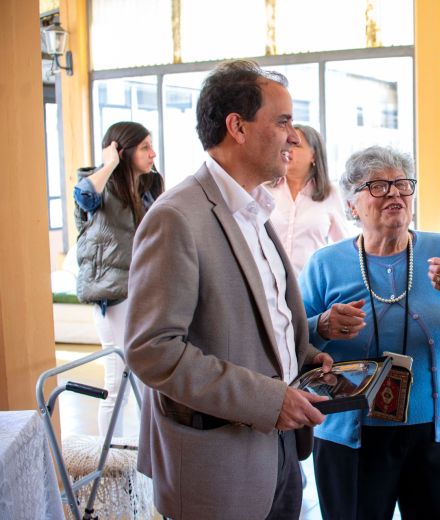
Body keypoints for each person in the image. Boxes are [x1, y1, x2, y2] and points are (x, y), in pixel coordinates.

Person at [124, 60, 333, 520]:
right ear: (237, 127)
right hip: (216, 461)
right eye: (282, 122)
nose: (294, 138)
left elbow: (260, 318)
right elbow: (152, 351)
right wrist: (267, 399)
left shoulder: (256, 208)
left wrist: (302, 357)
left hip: (277, 448)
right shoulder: (177, 216)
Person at [298, 145, 440, 519]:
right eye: (378, 186)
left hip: (437, 435)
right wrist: (321, 326)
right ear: (351, 205)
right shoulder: (325, 265)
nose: (395, 193)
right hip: (350, 438)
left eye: (402, 184)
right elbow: (290, 347)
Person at [74, 121, 163, 437]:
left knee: (143, 376)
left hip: (144, 291)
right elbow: (83, 196)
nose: (153, 153)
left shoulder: (150, 187)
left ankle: (140, 456)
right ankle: (111, 457)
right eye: (143, 147)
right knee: (119, 377)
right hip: (114, 295)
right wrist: (109, 162)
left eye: (151, 145)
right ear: (122, 152)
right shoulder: (100, 188)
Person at [265, 124, 350, 275]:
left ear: (314, 155)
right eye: (286, 143)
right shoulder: (264, 189)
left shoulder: (330, 194)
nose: (288, 149)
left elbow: (343, 247)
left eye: (296, 145)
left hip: (310, 286)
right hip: (267, 284)